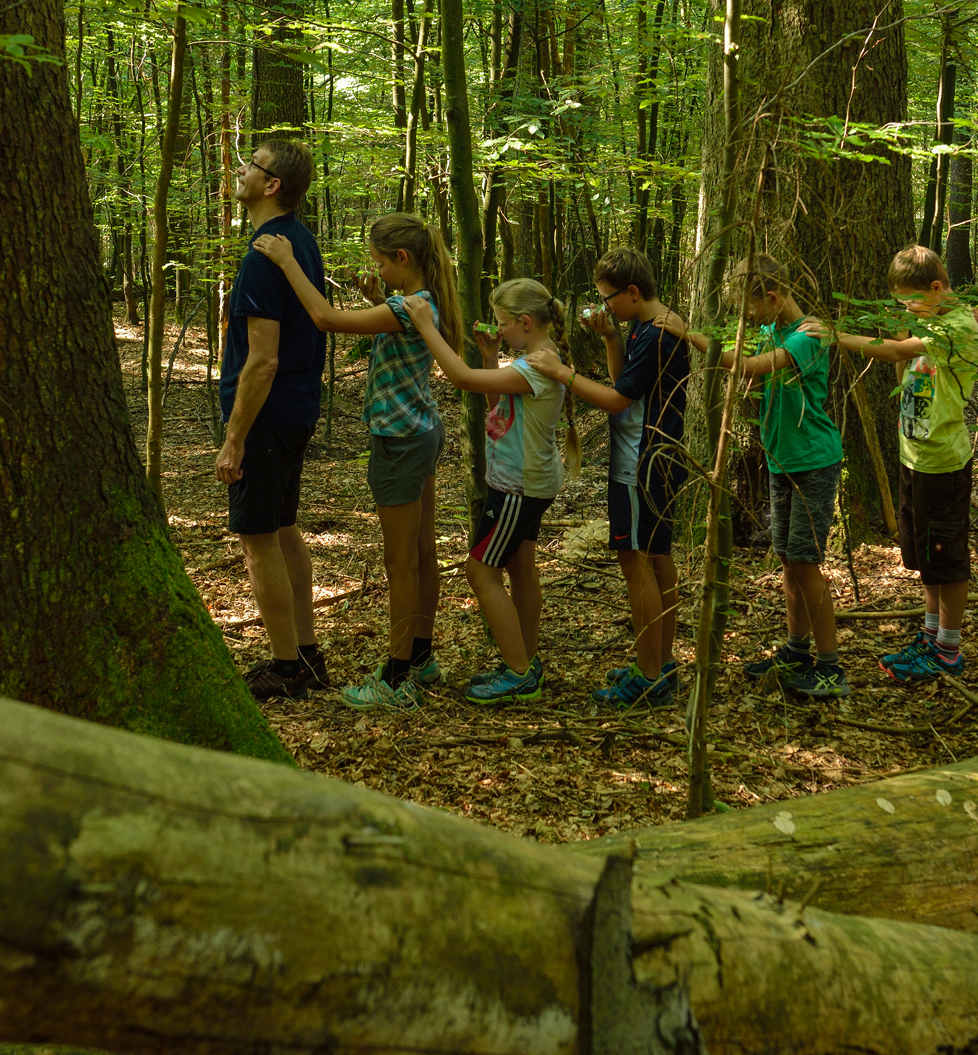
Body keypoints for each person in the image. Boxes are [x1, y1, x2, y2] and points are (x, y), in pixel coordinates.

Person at [252, 212, 461, 711]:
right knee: (422, 551)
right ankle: (421, 656)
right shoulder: (419, 301)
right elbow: (396, 331)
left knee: (400, 563)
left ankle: (396, 675)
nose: (379, 272)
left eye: (381, 264)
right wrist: (376, 301)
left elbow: (326, 320)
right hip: (422, 429)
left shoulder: (409, 304)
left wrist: (287, 262)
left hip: (400, 440)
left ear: (402, 259)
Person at [656, 256, 850, 699]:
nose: (746, 318)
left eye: (750, 308)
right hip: (782, 461)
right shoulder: (773, 332)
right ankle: (797, 650)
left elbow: (750, 367)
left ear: (773, 298)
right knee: (788, 560)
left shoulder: (806, 336)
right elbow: (756, 381)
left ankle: (831, 668)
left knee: (805, 562)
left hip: (813, 462)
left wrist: (689, 334)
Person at [525, 247, 689, 709]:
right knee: (656, 558)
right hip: (652, 457)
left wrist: (563, 373)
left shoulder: (658, 335)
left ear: (633, 292)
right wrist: (612, 339)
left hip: (640, 463)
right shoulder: (645, 326)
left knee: (636, 560)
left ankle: (650, 674)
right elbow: (627, 386)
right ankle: (660, 662)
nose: (605, 305)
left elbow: (616, 402)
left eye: (609, 298)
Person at [821, 246, 978, 682]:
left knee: (946, 559)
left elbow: (896, 354)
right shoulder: (930, 319)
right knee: (925, 558)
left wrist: (833, 335)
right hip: (915, 456)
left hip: (943, 462)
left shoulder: (955, 325)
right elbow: (905, 366)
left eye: (911, 300)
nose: (906, 310)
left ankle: (948, 650)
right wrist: (904, 324)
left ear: (936, 288)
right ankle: (931, 635)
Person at [410, 277, 574, 705]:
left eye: (503, 324)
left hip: (518, 486)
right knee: (521, 566)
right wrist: (489, 356)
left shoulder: (535, 365)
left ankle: (520, 673)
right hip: (530, 480)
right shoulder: (537, 359)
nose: (499, 330)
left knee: (480, 571)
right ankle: (525, 660)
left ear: (525, 321)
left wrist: (427, 327)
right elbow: (502, 413)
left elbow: (462, 380)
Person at [215, 138, 328, 700]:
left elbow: (263, 359)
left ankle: (285, 667)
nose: (241, 171)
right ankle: (306, 655)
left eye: (251, 165)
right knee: (283, 529)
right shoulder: (299, 243)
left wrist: (234, 438)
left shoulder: (268, 252)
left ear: (273, 184)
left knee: (257, 537)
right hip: (295, 410)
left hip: (268, 416)